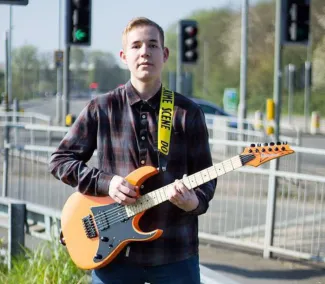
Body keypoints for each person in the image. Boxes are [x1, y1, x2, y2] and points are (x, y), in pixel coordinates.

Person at [49, 17, 217, 284]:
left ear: (164, 54)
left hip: (175, 252)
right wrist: (107, 183)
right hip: (113, 253)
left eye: (152, 45)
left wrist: (194, 202)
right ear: (124, 56)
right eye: (136, 45)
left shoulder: (187, 112)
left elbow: (206, 175)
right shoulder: (101, 108)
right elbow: (60, 160)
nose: (144, 52)